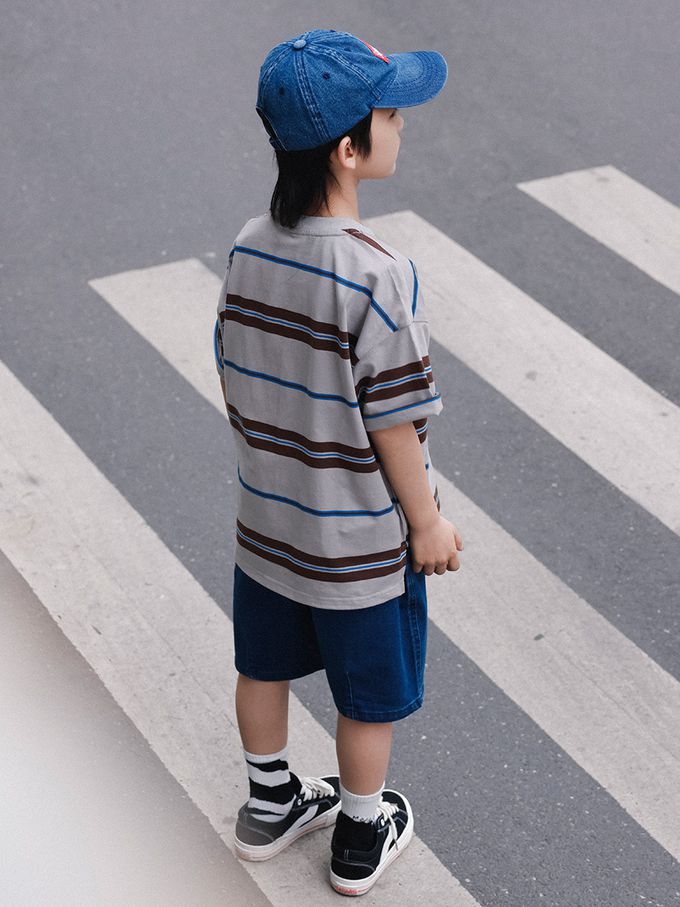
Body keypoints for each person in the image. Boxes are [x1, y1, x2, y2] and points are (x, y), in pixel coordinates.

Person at [214, 28, 464, 896]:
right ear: (348, 151)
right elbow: (394, 422)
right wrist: (425, 522)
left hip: (268, 525)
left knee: (262, 663)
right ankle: (360, 834)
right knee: (366, 694)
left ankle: (269, 801)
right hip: (356, 544)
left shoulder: (248, 245)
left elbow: (233, 367)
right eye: (390, 114)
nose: (403, 124)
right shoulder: (377, 275)